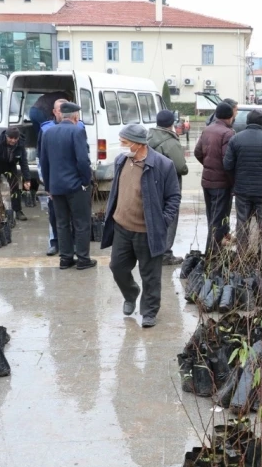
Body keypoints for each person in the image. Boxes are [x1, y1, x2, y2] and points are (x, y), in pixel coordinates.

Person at [101, 124, 181, 329]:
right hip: (122, 228)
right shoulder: (121, 160)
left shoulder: (162, 165)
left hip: (148, 231)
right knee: (117, 267)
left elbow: (174, 196)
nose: (121, 146)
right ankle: (131, 293)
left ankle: (149, 311)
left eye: (124, 142)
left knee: (150, 275)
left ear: (138, 144)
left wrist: (163, 220)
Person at [39, 101, 96, 271]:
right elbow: (82, 160)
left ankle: (65, 259)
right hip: (76, 186)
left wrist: (48, 186)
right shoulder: (77, 131)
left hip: (56, 187)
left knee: (62, 223)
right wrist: (86, 181)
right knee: (81, 223)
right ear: (75, 116)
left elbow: (44, 162)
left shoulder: (48, 132)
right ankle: (83, 259)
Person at [223, 110, 262, 255]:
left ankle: (242, 254)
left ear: (247, 122)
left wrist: (237, 178)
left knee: (242, 222)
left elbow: (227, 165)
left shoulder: (236, 139)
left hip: (242, 190)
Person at [194, 102, 236, 256]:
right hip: (221, 183)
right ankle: (211, 254)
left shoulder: (207, 130)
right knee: (217, 220)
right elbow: (228, 162)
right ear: (231, 116)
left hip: (207, 181)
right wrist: (233, 182)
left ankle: (214, 251)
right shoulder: (228, 133)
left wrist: (208, 165)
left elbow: (197, 152)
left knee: (212, 216)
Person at [148, 109, 189, 265]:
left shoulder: (148, 137)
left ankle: (154, 249)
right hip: (168, 186)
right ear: (172, 123)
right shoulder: (170, 141)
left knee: (153, 216)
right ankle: (165, 254)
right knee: (170, 217)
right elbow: (181, 167)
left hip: (150, 184)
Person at [0, 126, 31, 220]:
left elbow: (24, 162)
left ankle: (17, 211)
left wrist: (27, 179)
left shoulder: (20, 144)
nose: (13, 140)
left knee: (15, 187)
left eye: (15, 138)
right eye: (11, 138)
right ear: (6, 136)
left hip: (10, 165)